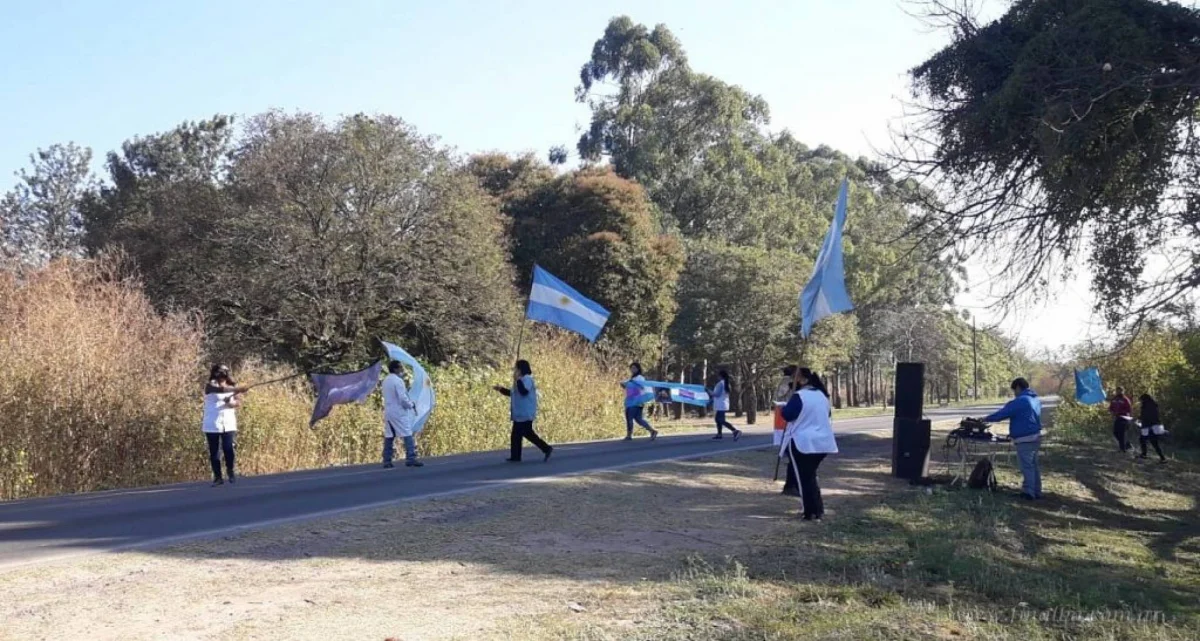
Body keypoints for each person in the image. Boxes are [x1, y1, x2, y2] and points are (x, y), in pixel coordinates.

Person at [779, 368, 837, 521]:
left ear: (802, 380)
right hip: (822, 442)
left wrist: (786, 404)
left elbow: (787, 415)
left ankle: (809, 512)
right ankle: (817, 509)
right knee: (810, 477)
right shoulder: (822, 396)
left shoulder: (800, 396)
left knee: (803, 479)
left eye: (794, 379)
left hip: (802, 442)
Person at [981, 378, 1043, 500]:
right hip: (1035, 436)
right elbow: (1025, 417)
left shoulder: (1021, 400)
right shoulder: (1035, 399)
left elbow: (1002, 414)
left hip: (1025, 438)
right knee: (1033, 465)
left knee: (1027, 466)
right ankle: (1037, 491)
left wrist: (985, 419)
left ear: (1018, 387)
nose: (1015, 393)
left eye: (1015, 390)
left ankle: (1029, 492)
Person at [494, 360, 553, 463]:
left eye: (516, 368)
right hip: (519, 414)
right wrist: (501, 389)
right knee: (518, 435)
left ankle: (546, 448)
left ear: (520, 369)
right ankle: (516, 456)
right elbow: (512, 393)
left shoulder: (527, 379)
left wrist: (517, 380)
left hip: (526, 412)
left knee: (525, 433)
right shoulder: (520, 381)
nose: (514, 370)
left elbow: (523, 391)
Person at [202, 364, 249, 487]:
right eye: (219, 374)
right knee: (214, 451)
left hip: (228, 422)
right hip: (212, 423)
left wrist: (230, 403)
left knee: (228, 448)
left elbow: (238, 402)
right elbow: (221, 390)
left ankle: (230, 470)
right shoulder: (210, 386)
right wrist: (238, 388)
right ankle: (218, 477)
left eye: (224, 374)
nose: (221, 377)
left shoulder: (232, 386)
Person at [382, 361, 423, 468]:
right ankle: (411, 458)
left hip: (388, 411)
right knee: (407, 433)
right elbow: (402, 398)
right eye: (400, 367)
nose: (402, 369)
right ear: (395, 369)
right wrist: (411, 405)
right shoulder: (398, 381)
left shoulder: (386, 380)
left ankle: (387, 460)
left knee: (389, 435)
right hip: (398, 412)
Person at [775, 366, 801, 497]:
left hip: (790, 414)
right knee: (787, 440)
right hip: (787, 414)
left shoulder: (792, 381)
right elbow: (781, 395)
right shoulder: (787, 381)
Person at [621, 362, 659, 441]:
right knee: (638, 419)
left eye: (634, 368)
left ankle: (629, 435)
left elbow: (642, 387)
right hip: (633, 400)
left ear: (638, 369)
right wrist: (625, 384)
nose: (632, 370)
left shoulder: (639, 378)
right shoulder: (633, 378)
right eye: (631, 368)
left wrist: (631, 383)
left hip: (635, 401)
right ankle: (652, 431)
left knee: (629, 417)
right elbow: (628, 387)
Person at [708, 370, 742, 440]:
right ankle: (719, 434)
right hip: (723, 404)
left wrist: (708, 391)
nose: (717, 377)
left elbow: (717, 394)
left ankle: (735, 431)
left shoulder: (720, 384)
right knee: (718, 419)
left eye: (718, 375)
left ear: (720, 376)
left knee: (721, 420)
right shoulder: (726, 384)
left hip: (720, 404)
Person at [1138, 393, 1168, 463]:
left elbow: (1146, 416)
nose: (1141, 402)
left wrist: (1140, 419)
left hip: (1150, 426)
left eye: (1141, 400)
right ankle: (1145, 454)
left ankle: (1162, 458)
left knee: (1152, 442)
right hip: (1153, 425)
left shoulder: (1147, 406)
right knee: (1145, 440)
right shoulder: (1153, 405)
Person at [1109, 387, 1134, 453]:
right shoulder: (1114, 399)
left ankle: (1122, 449)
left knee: (1121, 433)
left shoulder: (1125, 399)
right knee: (1115, 432)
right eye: (1117, 390)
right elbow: (1111, 407)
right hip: (1117, 417)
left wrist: (1121, 412)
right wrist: (1112, 411)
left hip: (1124, 418)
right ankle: (1127, 444)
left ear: (1123, 391)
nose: (1119, 392)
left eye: (1120, 391)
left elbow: (1129, 409)